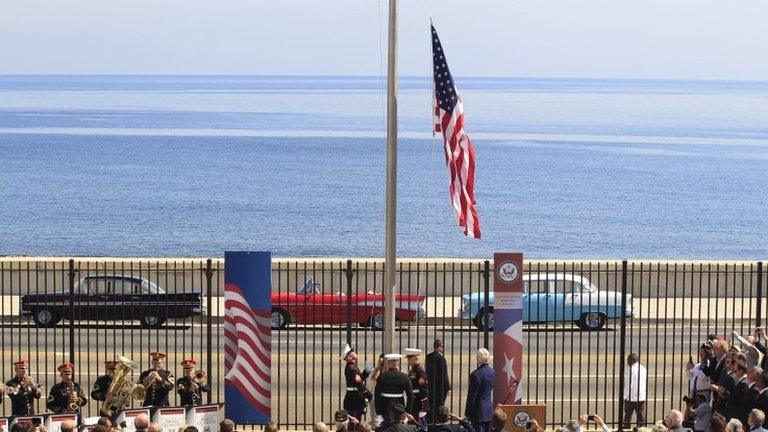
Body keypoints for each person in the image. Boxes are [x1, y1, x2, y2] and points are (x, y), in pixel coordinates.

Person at [374, 354, 412, 426]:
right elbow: (410, 396)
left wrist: (378, 412)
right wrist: (407, 411)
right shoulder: (404, 377)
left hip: (385, 407)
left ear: (388, 364)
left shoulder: (382, 377)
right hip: (400, 407)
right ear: (398, 364)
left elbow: (377, 396)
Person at [465, 349, 494, 432]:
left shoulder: (475, 375)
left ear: (478, 359)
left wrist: (468, 413)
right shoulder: (492, 372)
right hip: (488, 409)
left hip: (478, 413)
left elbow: (471, 396)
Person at [343, 346, 373, 425]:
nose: (354, 352)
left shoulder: (353, 366)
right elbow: (359, 383)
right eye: (352, 351)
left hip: (355, 397)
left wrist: (366, 372)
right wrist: (368, 395)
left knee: (356, 420)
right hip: (354, 399)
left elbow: (359, 379)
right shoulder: (352, 368)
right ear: (349, 357)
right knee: (354, 423)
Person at [426, 340, 451, 425]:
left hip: (431, 386)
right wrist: (448, 388)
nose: (444, 348)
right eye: (443, 346)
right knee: (439, 406)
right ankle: (437, 422)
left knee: (432, 405)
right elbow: (444, 374)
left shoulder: (428, 357)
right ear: (439, 347)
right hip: (440, 388)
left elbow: (428, 372)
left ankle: (431, 422)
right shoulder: (441, 358)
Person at [404, 348, 428, 428]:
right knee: (413, 422)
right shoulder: (412, 370)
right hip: (413, 399)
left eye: (409, 359)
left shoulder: (420, 370)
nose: (408, 361)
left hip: (418, 401)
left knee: (418, 423)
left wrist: (423, 405)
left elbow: (424, 388)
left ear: (415, 358)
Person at [623, 353, 648, 429]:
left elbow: (629, 384)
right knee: (640, 414)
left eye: (628, 360)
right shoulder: (643, 368)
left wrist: (625, 395)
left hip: (632, 396)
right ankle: (641, 428)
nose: (627, 362)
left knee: (628, 414)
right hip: (641, 395)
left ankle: (626, 427)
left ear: (631, 361)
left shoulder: (631, 369)